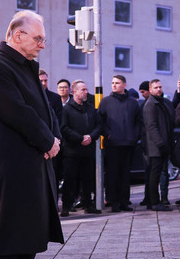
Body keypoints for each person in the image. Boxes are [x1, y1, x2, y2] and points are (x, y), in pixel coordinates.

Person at [0, 10, 62, 259]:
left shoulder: (24, 67)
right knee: (11, 224)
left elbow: (44, 109)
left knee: (31, 223)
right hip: (12, 160)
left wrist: (53, 139)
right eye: (38, 38)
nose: (42, 44)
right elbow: (18, 111)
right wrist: (46, 141)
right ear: (17, 36)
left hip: (33, 157)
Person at [98, 75, 142, 212]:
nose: (114, 85)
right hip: (112, 144)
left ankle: (124, 201)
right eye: (112, 83)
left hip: (128, 144)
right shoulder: (105, 102)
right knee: (112, 174)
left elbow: (138, 121)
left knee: (125, 175)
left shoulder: (133, 103)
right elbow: (100, 121)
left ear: (124, 84)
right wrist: (108, 134)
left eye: (117, 83)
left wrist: (134, 136)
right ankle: (113, 201)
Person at [60, 80, 101, 216]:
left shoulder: (90, 108)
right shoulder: (67, 109)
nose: (86, 92)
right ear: (75, 92)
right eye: (83, 89)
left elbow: (98, 126)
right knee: (69, 179)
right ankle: (66, 206)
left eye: (86, 89)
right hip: (72, 151)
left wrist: (91, 136)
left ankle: (88, 205)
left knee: (88, 179)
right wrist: (80, 138)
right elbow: (64, 128)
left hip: (88, 151)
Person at [143, 79, 174, 211]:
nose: (159, 89)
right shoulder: (151, 104)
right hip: (156, 146)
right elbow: (152, 126)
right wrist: (161, 143)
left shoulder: (159, 103)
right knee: (154, 174)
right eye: (156, 87)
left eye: (160, 87)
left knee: (154, 174)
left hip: (160, 145)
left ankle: (152, 201)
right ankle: (155, 202)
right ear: (150, 90)